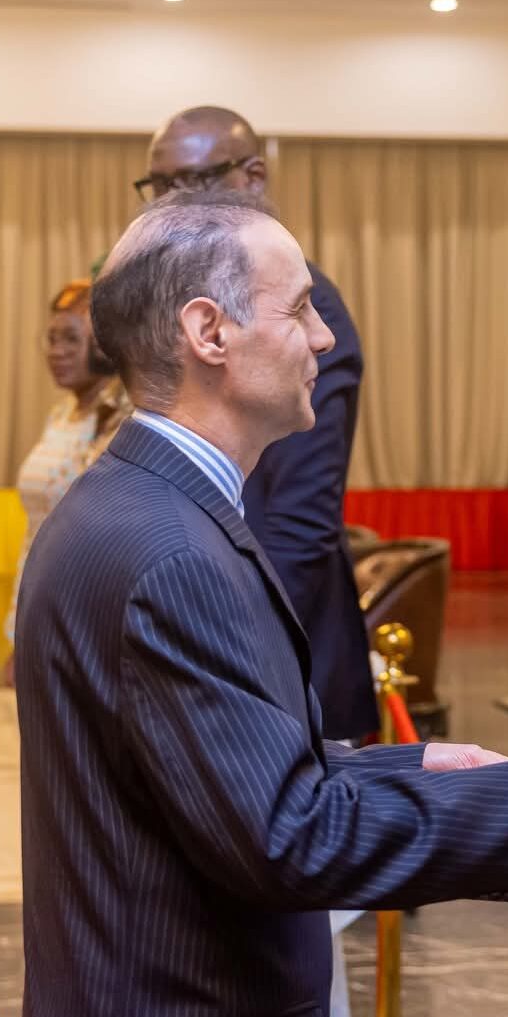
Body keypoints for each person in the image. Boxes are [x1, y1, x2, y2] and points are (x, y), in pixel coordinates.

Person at [11, 188, 508, 1017]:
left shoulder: (148, 506)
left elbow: (227, 780)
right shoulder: (170, 551)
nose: (324, 339)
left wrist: (417, 767)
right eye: (300, 307)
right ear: (210, 332)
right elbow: (285, 839)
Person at [138, 106, 379, 747]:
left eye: (190, 183)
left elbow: (297, 522)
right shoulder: (189, 307)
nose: (169, 204)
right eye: (158, 186)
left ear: (252, 176)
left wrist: (239, 659)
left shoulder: (304, 310)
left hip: (283, 666)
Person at [3, 278, 132, 687]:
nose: (56, 352)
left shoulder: (122, 420)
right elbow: (35, 531)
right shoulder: (60, 415)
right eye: (52, 339)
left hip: (88, 610)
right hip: (38, 593)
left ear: (105, 343)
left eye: (71, 340)